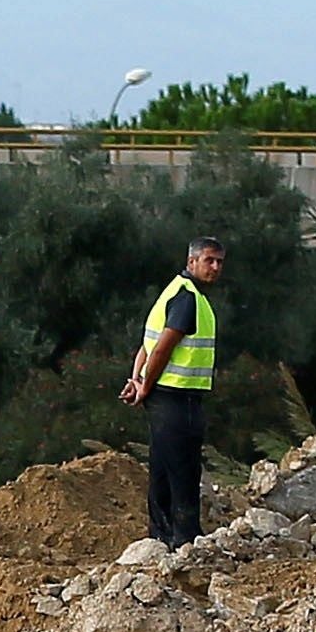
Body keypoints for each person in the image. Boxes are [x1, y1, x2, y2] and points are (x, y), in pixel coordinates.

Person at [121, 235, 222, 549]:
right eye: (209, 260)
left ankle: (160, 538)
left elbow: (146, 345)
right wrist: (144, 385)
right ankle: (184, 542)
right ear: (191, 261)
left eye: (219, 261)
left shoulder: (174, 291)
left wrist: (137, 380)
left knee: (164, 468)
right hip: (177, 398)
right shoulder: (187, 297)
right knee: (183, 471)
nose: (215, 267)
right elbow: (162, 348)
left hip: (166, 396)